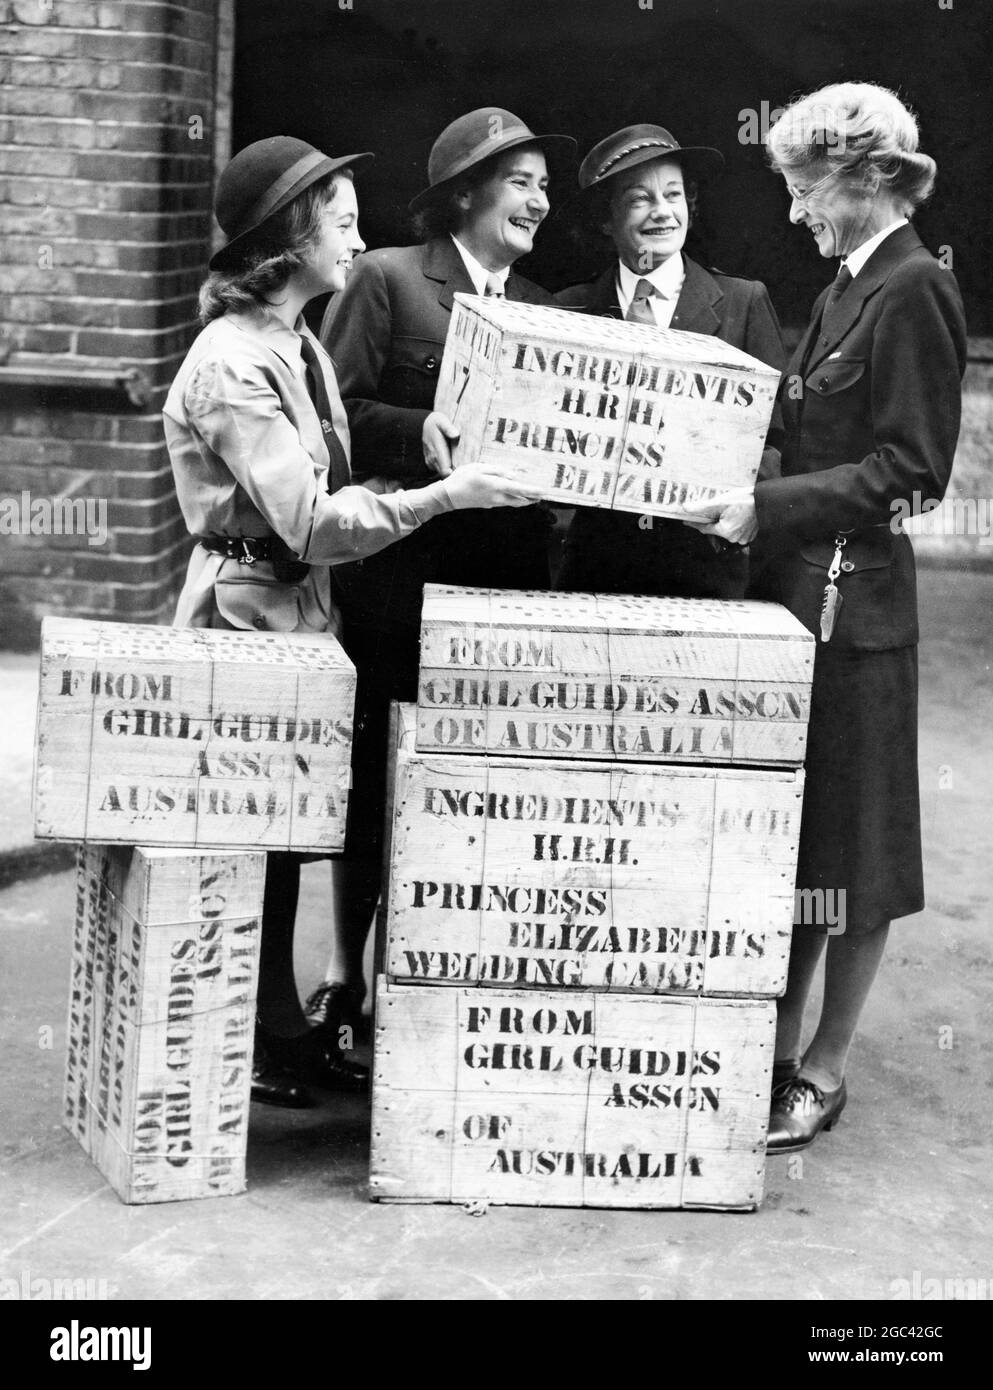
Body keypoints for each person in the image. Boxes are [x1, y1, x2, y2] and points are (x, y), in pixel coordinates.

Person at [163, 136, 540, 1107]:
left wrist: (416, 458)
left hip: (298, 613)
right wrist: (444, 495)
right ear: (292, 238)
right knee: (250, 835)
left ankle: (276, 1027)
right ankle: (249, 1034)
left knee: (287, 832)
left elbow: (333, 484)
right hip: (247, 617)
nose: (361, 238)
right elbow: (311, 520)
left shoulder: (300, 343)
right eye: (342, 221)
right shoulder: (233, 365)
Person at [682, 83, 966, 1152]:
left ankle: (827, 1065)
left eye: (808, 185)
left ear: (872, 177)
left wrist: (769, 504)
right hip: (800, 598)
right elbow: (809, 434)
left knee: (861, 853)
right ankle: (779, 1039)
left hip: (859, 609)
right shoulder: (849, 286)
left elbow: (911, 467)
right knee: (804, 845)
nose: (797, 207)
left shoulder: (912, 290)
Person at [308, 109, 574, 1044]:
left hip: (501, 582)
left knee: (460, 784)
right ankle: (345, 981)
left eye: (545, 185)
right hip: (397, 574)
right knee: (376, 777)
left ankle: (429, 990)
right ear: (464, 193)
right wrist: (411, 433)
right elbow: (330, 415)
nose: (540, 200)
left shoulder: (542, 303)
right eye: (521, 181)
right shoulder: (386, 276)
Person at [555, 123, 786, 599]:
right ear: (605, 218)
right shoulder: (567, 311)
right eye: (640, 198)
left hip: (707, 568)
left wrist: (739, 505)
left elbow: (777, 438)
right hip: (594, 568)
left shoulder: (743, 303)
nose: (662, 212)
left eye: (674, 195)